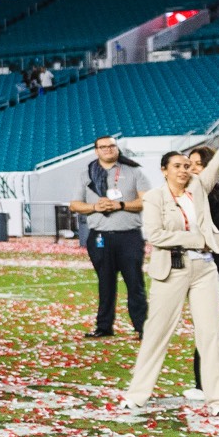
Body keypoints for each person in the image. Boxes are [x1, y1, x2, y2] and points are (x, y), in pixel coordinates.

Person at [120, 102, 219, 418]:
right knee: (156, 334)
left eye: (187, 165)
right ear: (164, 170)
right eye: (177, 165)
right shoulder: (154, 198)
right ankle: (137, 395)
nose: (184, 169)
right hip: (171, 270)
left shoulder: (200, 189)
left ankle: (218, 400)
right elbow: (157, 235)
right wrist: (197, 239)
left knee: (212, 335)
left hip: (205, 268)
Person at [69, 135, 149, 340]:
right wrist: (95, 207)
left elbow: (146, 201)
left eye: (111, 146)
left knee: (135, 283)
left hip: (129, 236)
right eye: (102, 147)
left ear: (117, 149)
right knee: (105, 283)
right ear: (96, 151)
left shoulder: (133, 171)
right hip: (100, 236)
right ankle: (104, 327)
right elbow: (75, 204)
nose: (107, 150)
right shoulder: (86, 174)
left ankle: (142, 327)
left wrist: (120, 205)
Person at [184, 141, 219, 404]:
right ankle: (203, 382)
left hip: (212, 263)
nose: (191, 168)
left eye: (198, 164)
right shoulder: (187, 193)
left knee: (209, 326)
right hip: (192, 264)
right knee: (202, 325)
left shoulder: (213, 194)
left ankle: (210, 384)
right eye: (189, 163)